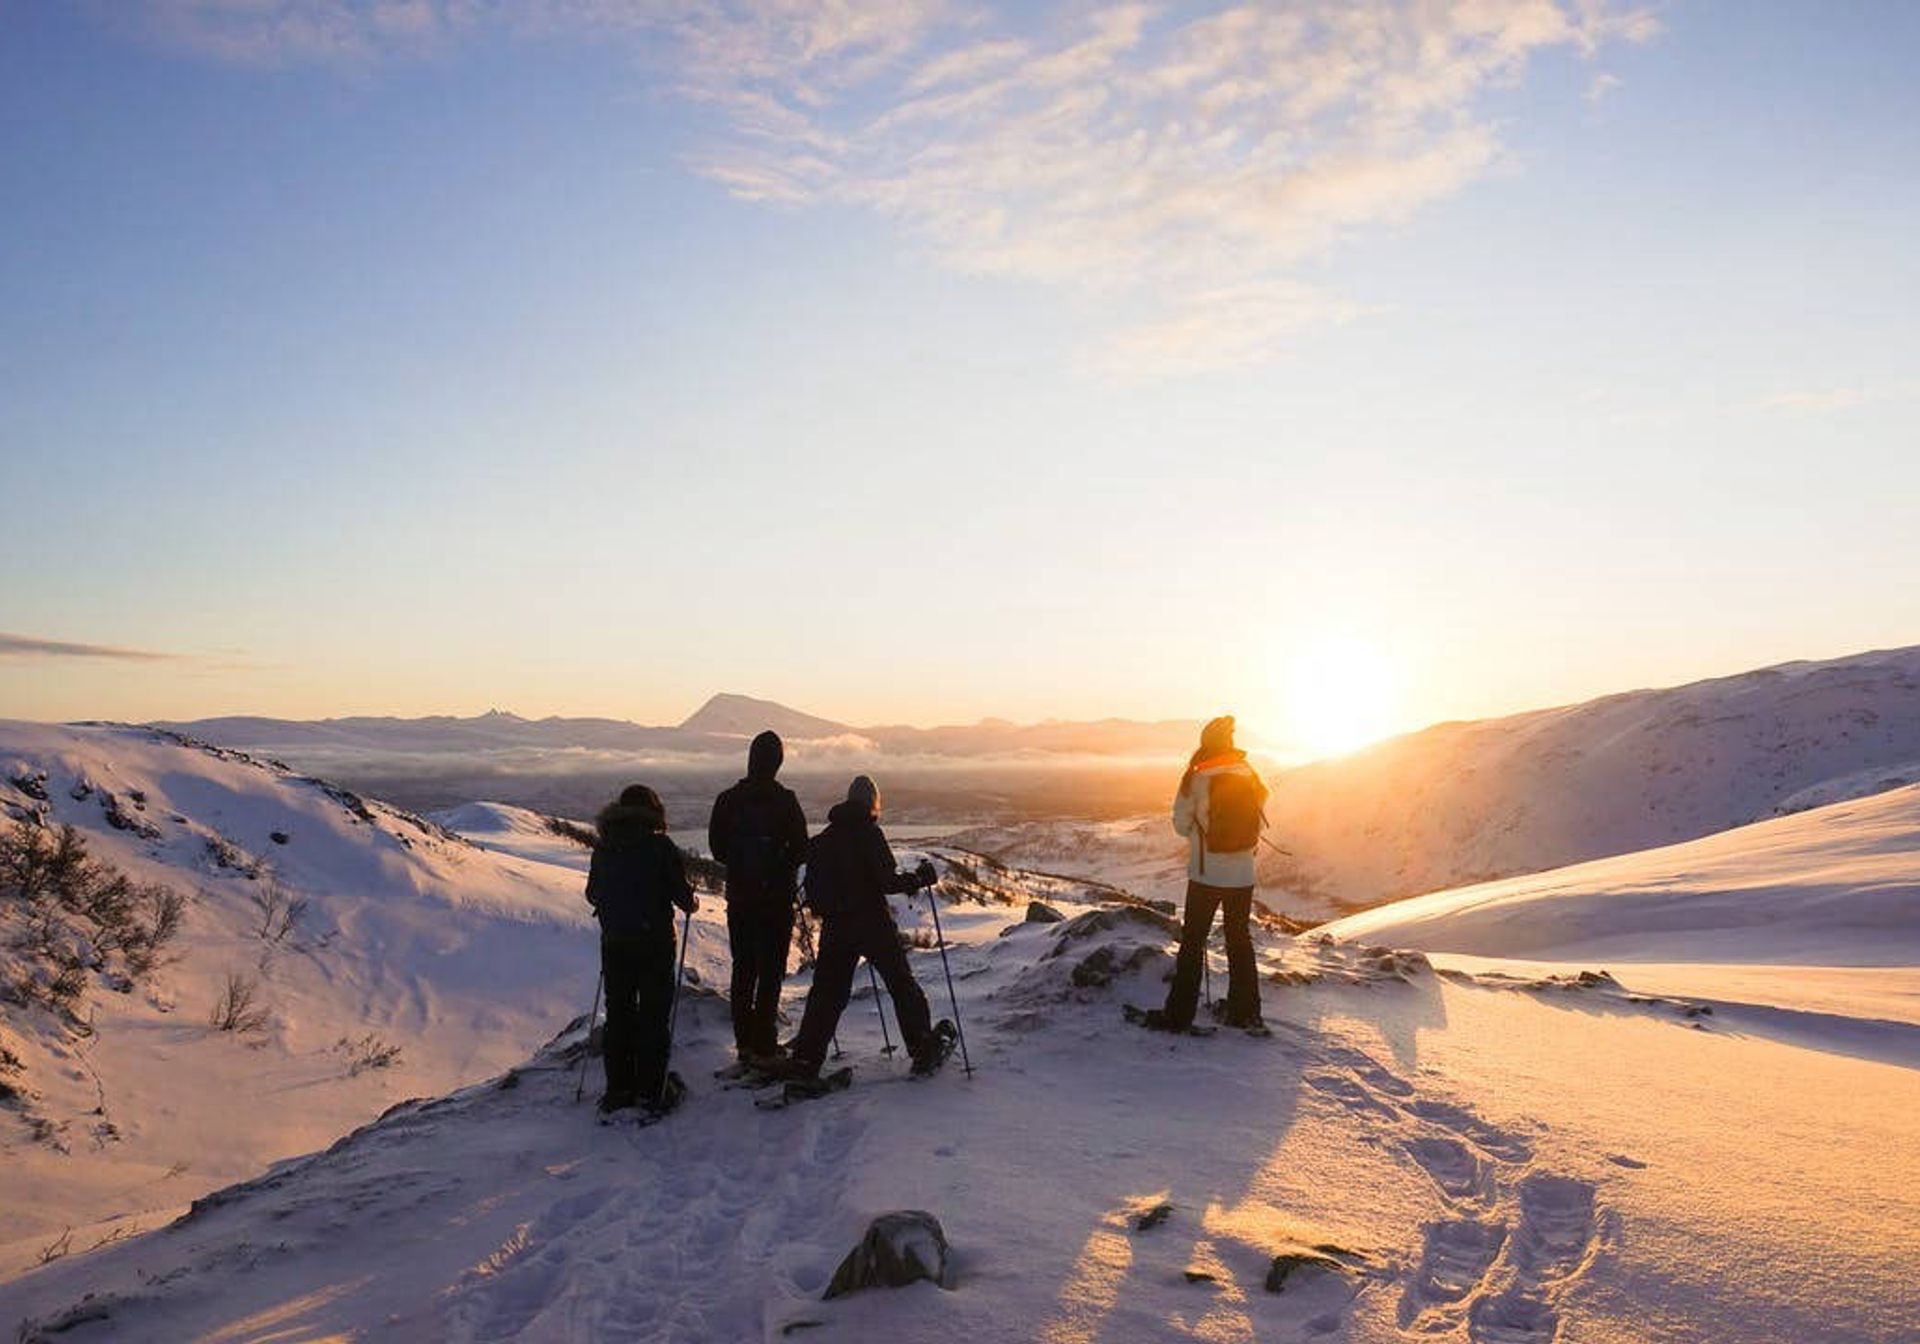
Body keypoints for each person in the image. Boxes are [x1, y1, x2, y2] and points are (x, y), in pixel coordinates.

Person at [779, 775, 952, 1084]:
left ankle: (806, 1060)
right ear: (873, 803)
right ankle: (920, 1045)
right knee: (901, 983)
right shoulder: (869, 834)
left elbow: (811, 893)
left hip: (834, 927)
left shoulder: (823, 840)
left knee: (827, 993)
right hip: (872, 923)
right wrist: (919, 879)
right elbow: (888, 882)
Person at [1143, 715, 1269, 1033]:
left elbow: (1180, 824)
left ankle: (1179, 1015)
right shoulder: (1249, 772)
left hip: (1206, 875)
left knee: (1193, 942)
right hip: (1243, 874)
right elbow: (1263, 802)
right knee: (1239, 940)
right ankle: (1246, 1012)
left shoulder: (1197, 777)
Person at [585, 783, 699, 1115]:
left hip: (615, 942)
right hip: (654, 943)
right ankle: (651, 1090)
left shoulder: (604, 847)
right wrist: (690, 900)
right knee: (653, 1014)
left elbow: (592, 894)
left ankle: (618, 1089)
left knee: (619, 1014)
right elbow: (680, 896)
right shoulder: (659, 846)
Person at [707, 730, 809, 1067]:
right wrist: (778, 867)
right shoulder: (786, 800)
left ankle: (744, 1045)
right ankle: (765, 1045)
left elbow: (718, 849)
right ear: (777, 762)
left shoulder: (728, 799)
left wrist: (742, 865)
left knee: (744, 970)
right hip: (776, 901)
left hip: (740, 898)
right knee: (770, 972)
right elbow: (801, 849)